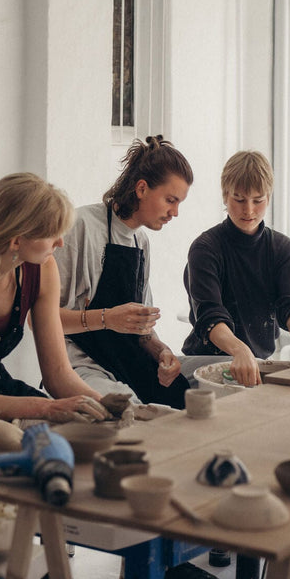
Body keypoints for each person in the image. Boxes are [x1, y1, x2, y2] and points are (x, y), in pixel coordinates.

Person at [0, 172, 112, 456]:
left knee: (93, 429)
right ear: (17, 241)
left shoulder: (40, 269)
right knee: (8, 441)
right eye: (53, 235)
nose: (61, 244)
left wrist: (105, 405)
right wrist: (49, 408)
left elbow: (58, 375)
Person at [55, 135, 195, 410]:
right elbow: (43, 320)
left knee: (186, 402)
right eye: (170, 200)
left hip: (126, 361)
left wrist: (161, 351)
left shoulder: (140, 242)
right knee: (134, 416)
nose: (175, 213)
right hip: (81, 364)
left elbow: (141, 331)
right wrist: (107, 318)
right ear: (142, 188)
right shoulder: (80, 227)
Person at [182, 149, 290, 387]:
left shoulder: (283, 249)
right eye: (239, 199)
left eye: (258, 200)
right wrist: (240, 351)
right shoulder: (205, 249)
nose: (249, 210)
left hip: (258, 361)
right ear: (225, 196)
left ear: (269, 197)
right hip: (206, 362)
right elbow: (210, 315)